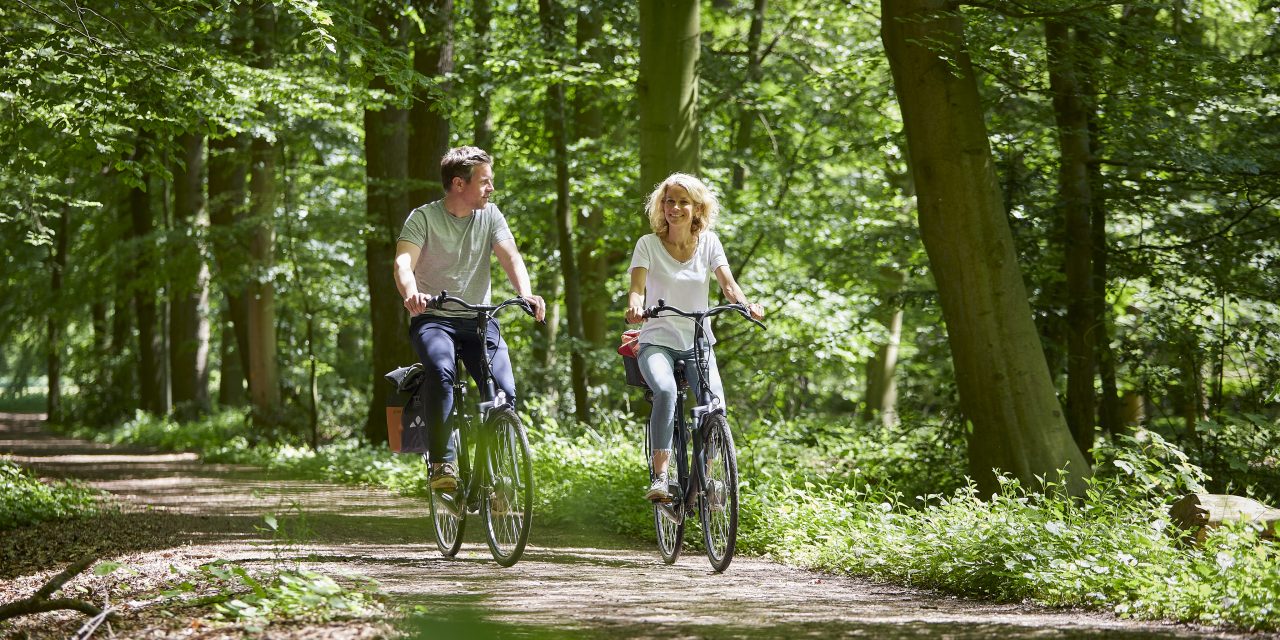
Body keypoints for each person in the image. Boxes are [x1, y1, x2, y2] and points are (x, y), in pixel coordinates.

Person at [393, 146, 546, 490]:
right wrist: (411, 293)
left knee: (505, 393)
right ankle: (442, 463)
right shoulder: (423, 218)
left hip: (479, 319)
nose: (491, 188)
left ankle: (498, 476)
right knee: (442, 372)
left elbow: (511, 257)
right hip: (434, 317)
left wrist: (526, 292)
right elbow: (403, 263)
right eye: (485, 181)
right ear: (459, 184)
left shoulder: (491, 215)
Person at [624, 173, 764, 502]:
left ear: (697, 207)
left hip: (698, 342)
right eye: (669, 201)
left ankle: (706, 481)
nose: (675, 208)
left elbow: (729, 286)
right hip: (657, 341)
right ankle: (660, 478)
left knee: (715, 407)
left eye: (683, 202)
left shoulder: (710, 243)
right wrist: (635, 309)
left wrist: (746, 305)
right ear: (662, 206)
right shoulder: (648, 244)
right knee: (667, 391)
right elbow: (636, 291)